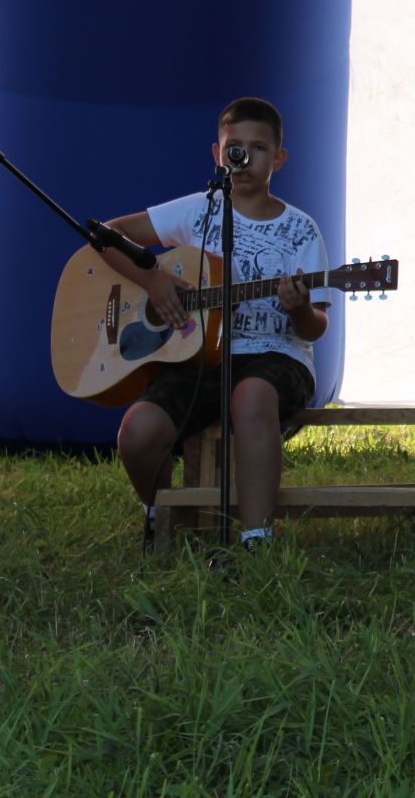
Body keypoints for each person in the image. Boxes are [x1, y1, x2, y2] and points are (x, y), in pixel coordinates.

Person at [99, 97, 331, 551]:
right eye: (234, 147)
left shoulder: (301, 230)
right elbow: (108, 235)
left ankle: (256, 537)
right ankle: (160, 513)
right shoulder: (197, 211)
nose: (243, 158)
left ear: (278, 158)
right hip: (198, 357)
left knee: (251, 396)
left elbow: (315, 327)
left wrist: (299, 308)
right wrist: (154, 282)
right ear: (216, 154)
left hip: (276, 357)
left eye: (258, 148)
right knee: (138, 431)